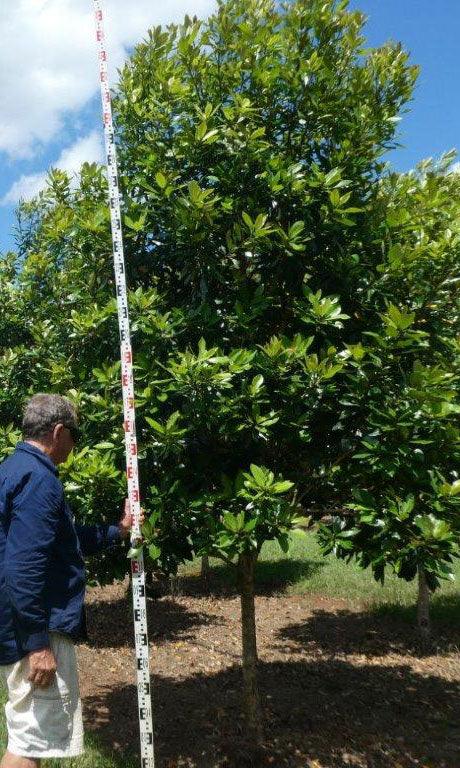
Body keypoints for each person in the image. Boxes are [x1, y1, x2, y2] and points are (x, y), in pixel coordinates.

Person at [0, 393, 142, 768]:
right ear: (59, 431)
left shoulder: (15, 471)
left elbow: (60, 542)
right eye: (74, 434)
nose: (74, 444)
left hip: (22, 623)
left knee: (31, 736)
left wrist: (117, 530)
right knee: (31, 743)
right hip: (35, 629)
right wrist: (37, 645)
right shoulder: (38, 480)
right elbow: (23, 569)